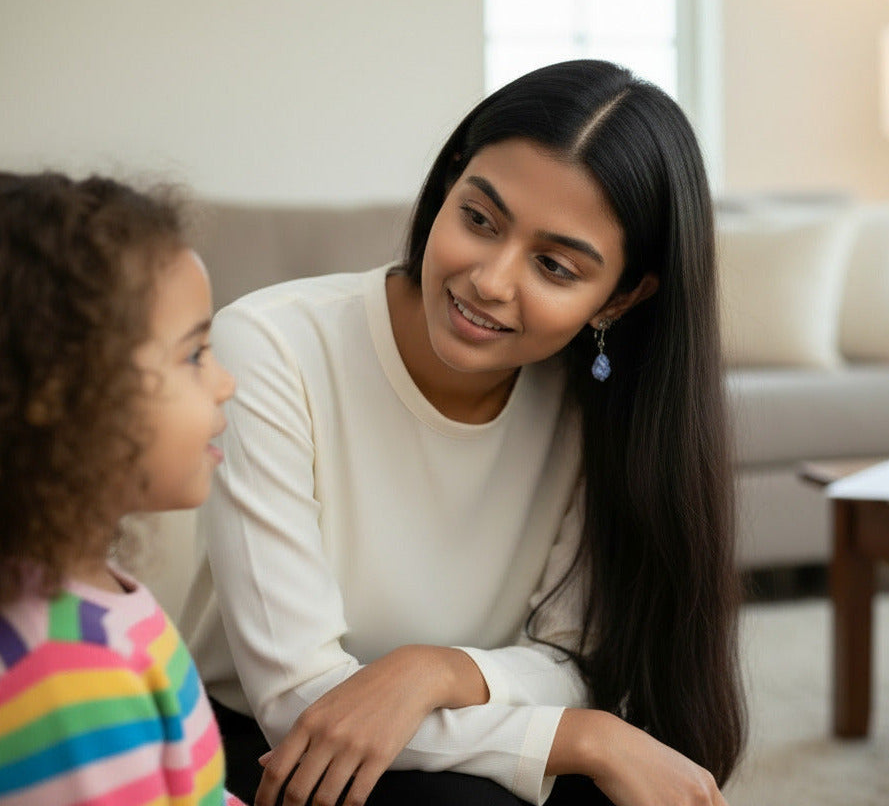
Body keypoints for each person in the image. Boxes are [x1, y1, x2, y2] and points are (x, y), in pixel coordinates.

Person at [181, 58, 745, 806]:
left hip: (461, 708)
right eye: (479, 220)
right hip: (265, 735)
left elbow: (568, 656)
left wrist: (439, 670)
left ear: (621, 298)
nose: (489, 279)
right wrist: (585, 737)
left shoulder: (598, 406)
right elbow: (298, 699)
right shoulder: (271, 345)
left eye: (553, 265)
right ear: (448, 184)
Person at [0, 173, 240, 805]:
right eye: (194, 356)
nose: (226, 383)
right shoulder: (69, 678)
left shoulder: (82, 593)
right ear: (60, 398)